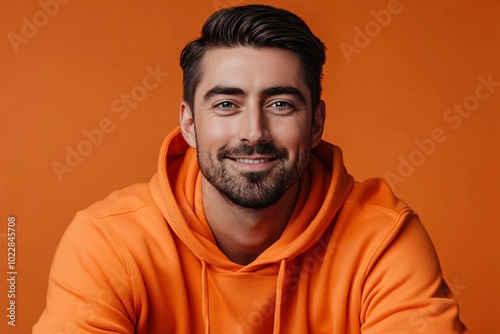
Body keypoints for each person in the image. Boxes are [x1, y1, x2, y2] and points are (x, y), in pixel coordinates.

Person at [33, 4, 468, 333]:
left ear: (315, 122)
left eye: (280, 104)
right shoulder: (109, 242)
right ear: (189, 123)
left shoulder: (383, 238)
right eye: (227, 104)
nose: (254, 131)